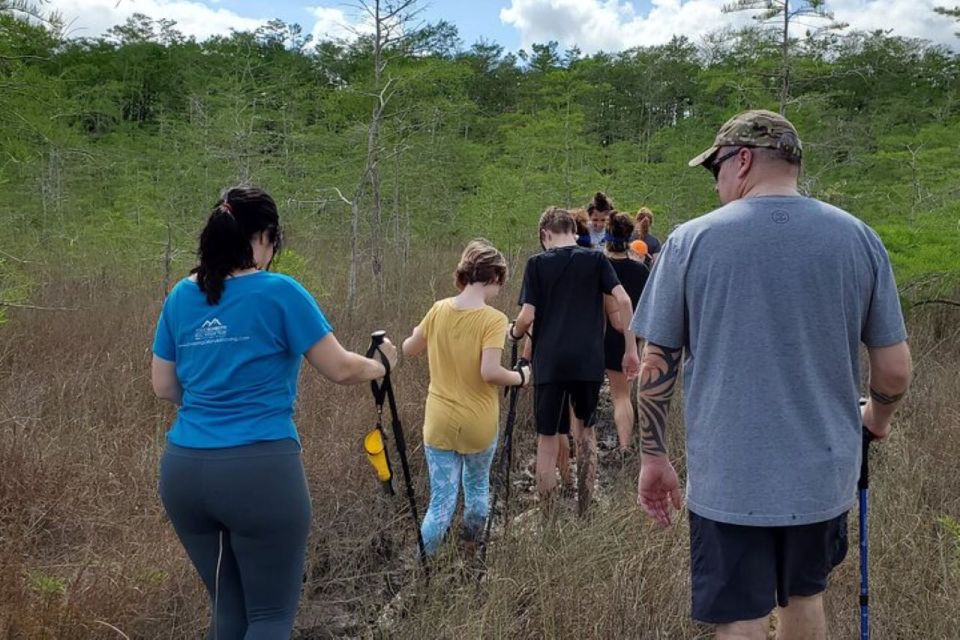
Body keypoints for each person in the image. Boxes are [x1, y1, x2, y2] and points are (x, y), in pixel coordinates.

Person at [627, 110, 912, 640]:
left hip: (729, 479)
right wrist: (878, 416)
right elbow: (894, 369)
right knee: (806, 598)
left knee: (739, 616)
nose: (715, 184)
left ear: (742, 160)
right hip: (824, 476)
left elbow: (653, 366)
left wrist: (653, 455)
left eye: (715, 169)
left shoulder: (690, 242)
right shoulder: (859, 239)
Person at [151, 186, 397, 640]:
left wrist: (214, 399)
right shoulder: (279, 291)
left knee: (230, 612)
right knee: (269, 617)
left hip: (184, 471)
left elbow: (163, 385)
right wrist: (381, 363)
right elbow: (341, 368)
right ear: (265, 236)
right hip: (259, 471)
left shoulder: (181, 296)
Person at [402, 239, 531, 558]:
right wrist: (520, 377)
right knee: (476, 494)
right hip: (478, 424)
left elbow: (408, 349)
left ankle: (424, 569)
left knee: (440, 505)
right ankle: (470, 554)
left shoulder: (438, 309)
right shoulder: (494, 319)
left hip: (439, 424)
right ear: (495, 277)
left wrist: (424, 330)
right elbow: (490, 372)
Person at [511, 207, 638, 517]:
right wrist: (630, 349)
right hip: (587, 361)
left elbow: (528, 316)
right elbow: (623, 300)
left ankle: (549, 516)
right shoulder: (596, 259)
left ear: (545, 235)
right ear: (572, 230)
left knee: (547, 439)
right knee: (586, 433)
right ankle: (584, 508)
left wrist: (513, 334)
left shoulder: (537, 264)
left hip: (550, 363)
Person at [602, 212, 650, 456]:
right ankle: (625, 446)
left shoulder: (600, 266)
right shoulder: (641, 270)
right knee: (624, 395)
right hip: (634, 335)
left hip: (605, 335)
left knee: (616, 394)